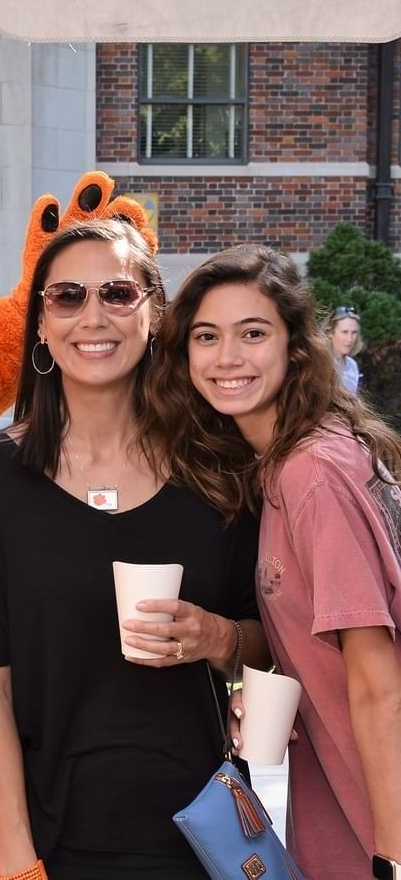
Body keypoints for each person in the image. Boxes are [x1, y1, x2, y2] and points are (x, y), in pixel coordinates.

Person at [0, 218, 270, 880]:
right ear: (39, 323)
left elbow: (268, 649)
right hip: (37, 842)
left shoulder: (219, 470)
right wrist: (15, 863)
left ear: (153, 314)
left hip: (198, 840)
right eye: (67, 296)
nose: (93, 316)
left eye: (117, 293)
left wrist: (215, 636)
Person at [146, 244, 401, 880]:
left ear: (293, 347)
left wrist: (393, 857)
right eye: (206, 336)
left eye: (252, 333)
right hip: (337, 813)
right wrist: (240, 667)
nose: (227, 357)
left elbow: (378, 684)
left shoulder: (313, 474)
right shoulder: (288, 464)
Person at [327, 304, 364, 394]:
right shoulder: (321, 364)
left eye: (354, 332)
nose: (350, 339)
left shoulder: (352, 365)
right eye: (345, 332)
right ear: (331, 333)